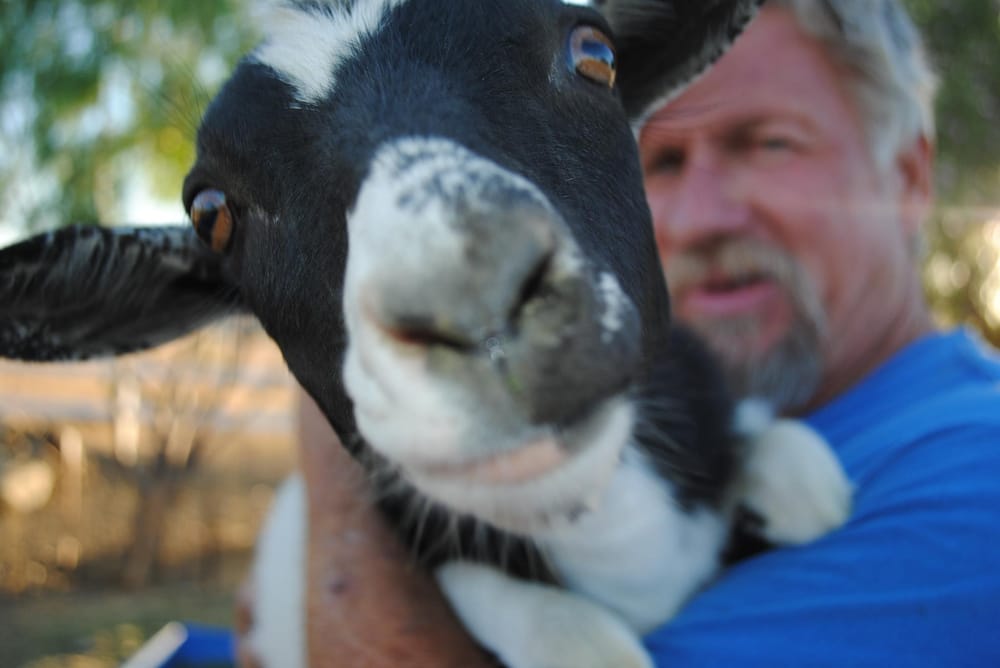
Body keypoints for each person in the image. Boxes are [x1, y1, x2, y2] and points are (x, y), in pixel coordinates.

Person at [238, 0, 1000, 664]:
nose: (696, 218)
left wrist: (336, 494)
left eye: (768, 144)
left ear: (907, 179)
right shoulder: (638, 417)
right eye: (660, 161)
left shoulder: (975, 485)